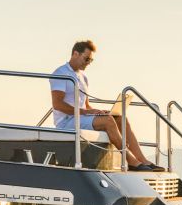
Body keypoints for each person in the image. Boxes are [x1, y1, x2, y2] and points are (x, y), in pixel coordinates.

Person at [49, 40, 164, 172]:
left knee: (120, 118)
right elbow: (57, 104)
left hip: (80, 118)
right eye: (86, 59)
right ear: (75, 54)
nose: (88, 63)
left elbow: (86, 105)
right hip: (66, 121)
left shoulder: (83, 77)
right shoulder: (60, 73)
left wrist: (98, 112)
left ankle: (143, 160)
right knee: (108, 122)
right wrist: (86, 112)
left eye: (91, 60)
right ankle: (131, 161)